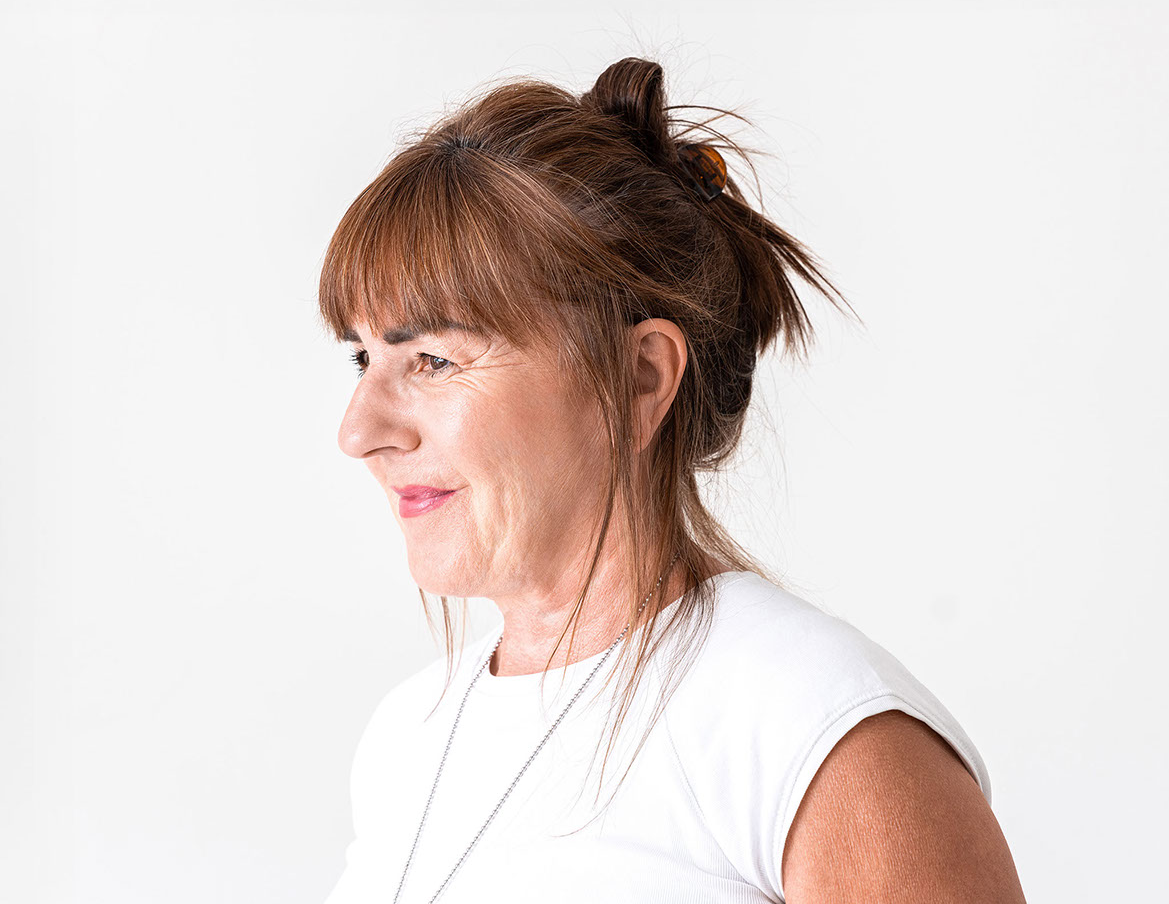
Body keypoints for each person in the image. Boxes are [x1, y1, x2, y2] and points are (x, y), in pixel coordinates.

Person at [317, 56, 1027, 903]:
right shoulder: (408, 736)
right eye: (363, 358)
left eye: (433, 359)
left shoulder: (810, 727)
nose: (359, 431)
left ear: (640, 377)